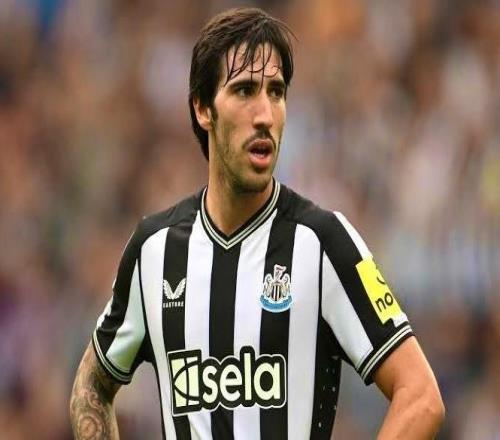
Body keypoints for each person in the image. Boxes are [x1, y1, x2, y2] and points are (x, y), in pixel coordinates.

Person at [70, 7, 445, 439]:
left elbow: (421, 396)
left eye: (276, 92)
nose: (265, 114)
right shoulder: (154, 251)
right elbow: (91, 387)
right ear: (203, 108)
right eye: (245, 91)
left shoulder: (323, 242)